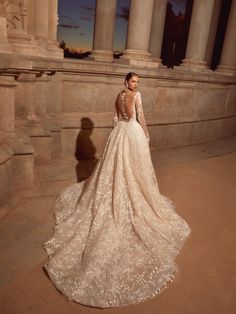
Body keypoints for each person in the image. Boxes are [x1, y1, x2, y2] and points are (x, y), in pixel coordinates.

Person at [43, 72, 191, 309]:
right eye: (133, 82)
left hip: (119, 133)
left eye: (137, 83)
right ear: (127, 82)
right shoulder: (136, 96)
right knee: (135, 168)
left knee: (115, 168)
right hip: (132, 133)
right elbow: (140, 117)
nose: (135, 85)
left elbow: (115, 118)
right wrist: (146, 133)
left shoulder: (118, 95)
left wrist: (118, 133)